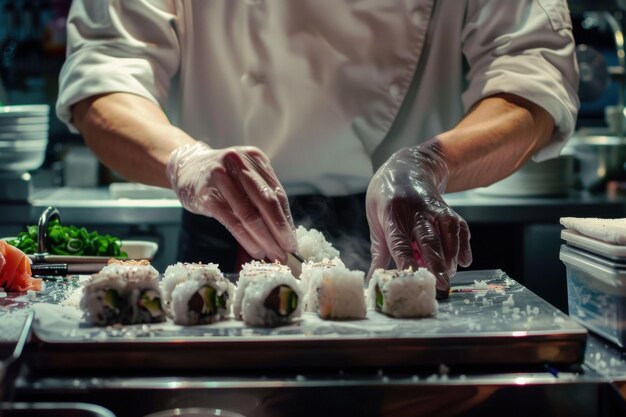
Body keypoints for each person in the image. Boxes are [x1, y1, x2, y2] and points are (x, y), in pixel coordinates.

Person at [56, 1, 579, 299]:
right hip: (224, 225)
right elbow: (102, 78)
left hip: (407, 233)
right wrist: (184, 160)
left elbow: (532, 71)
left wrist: (430, 164)